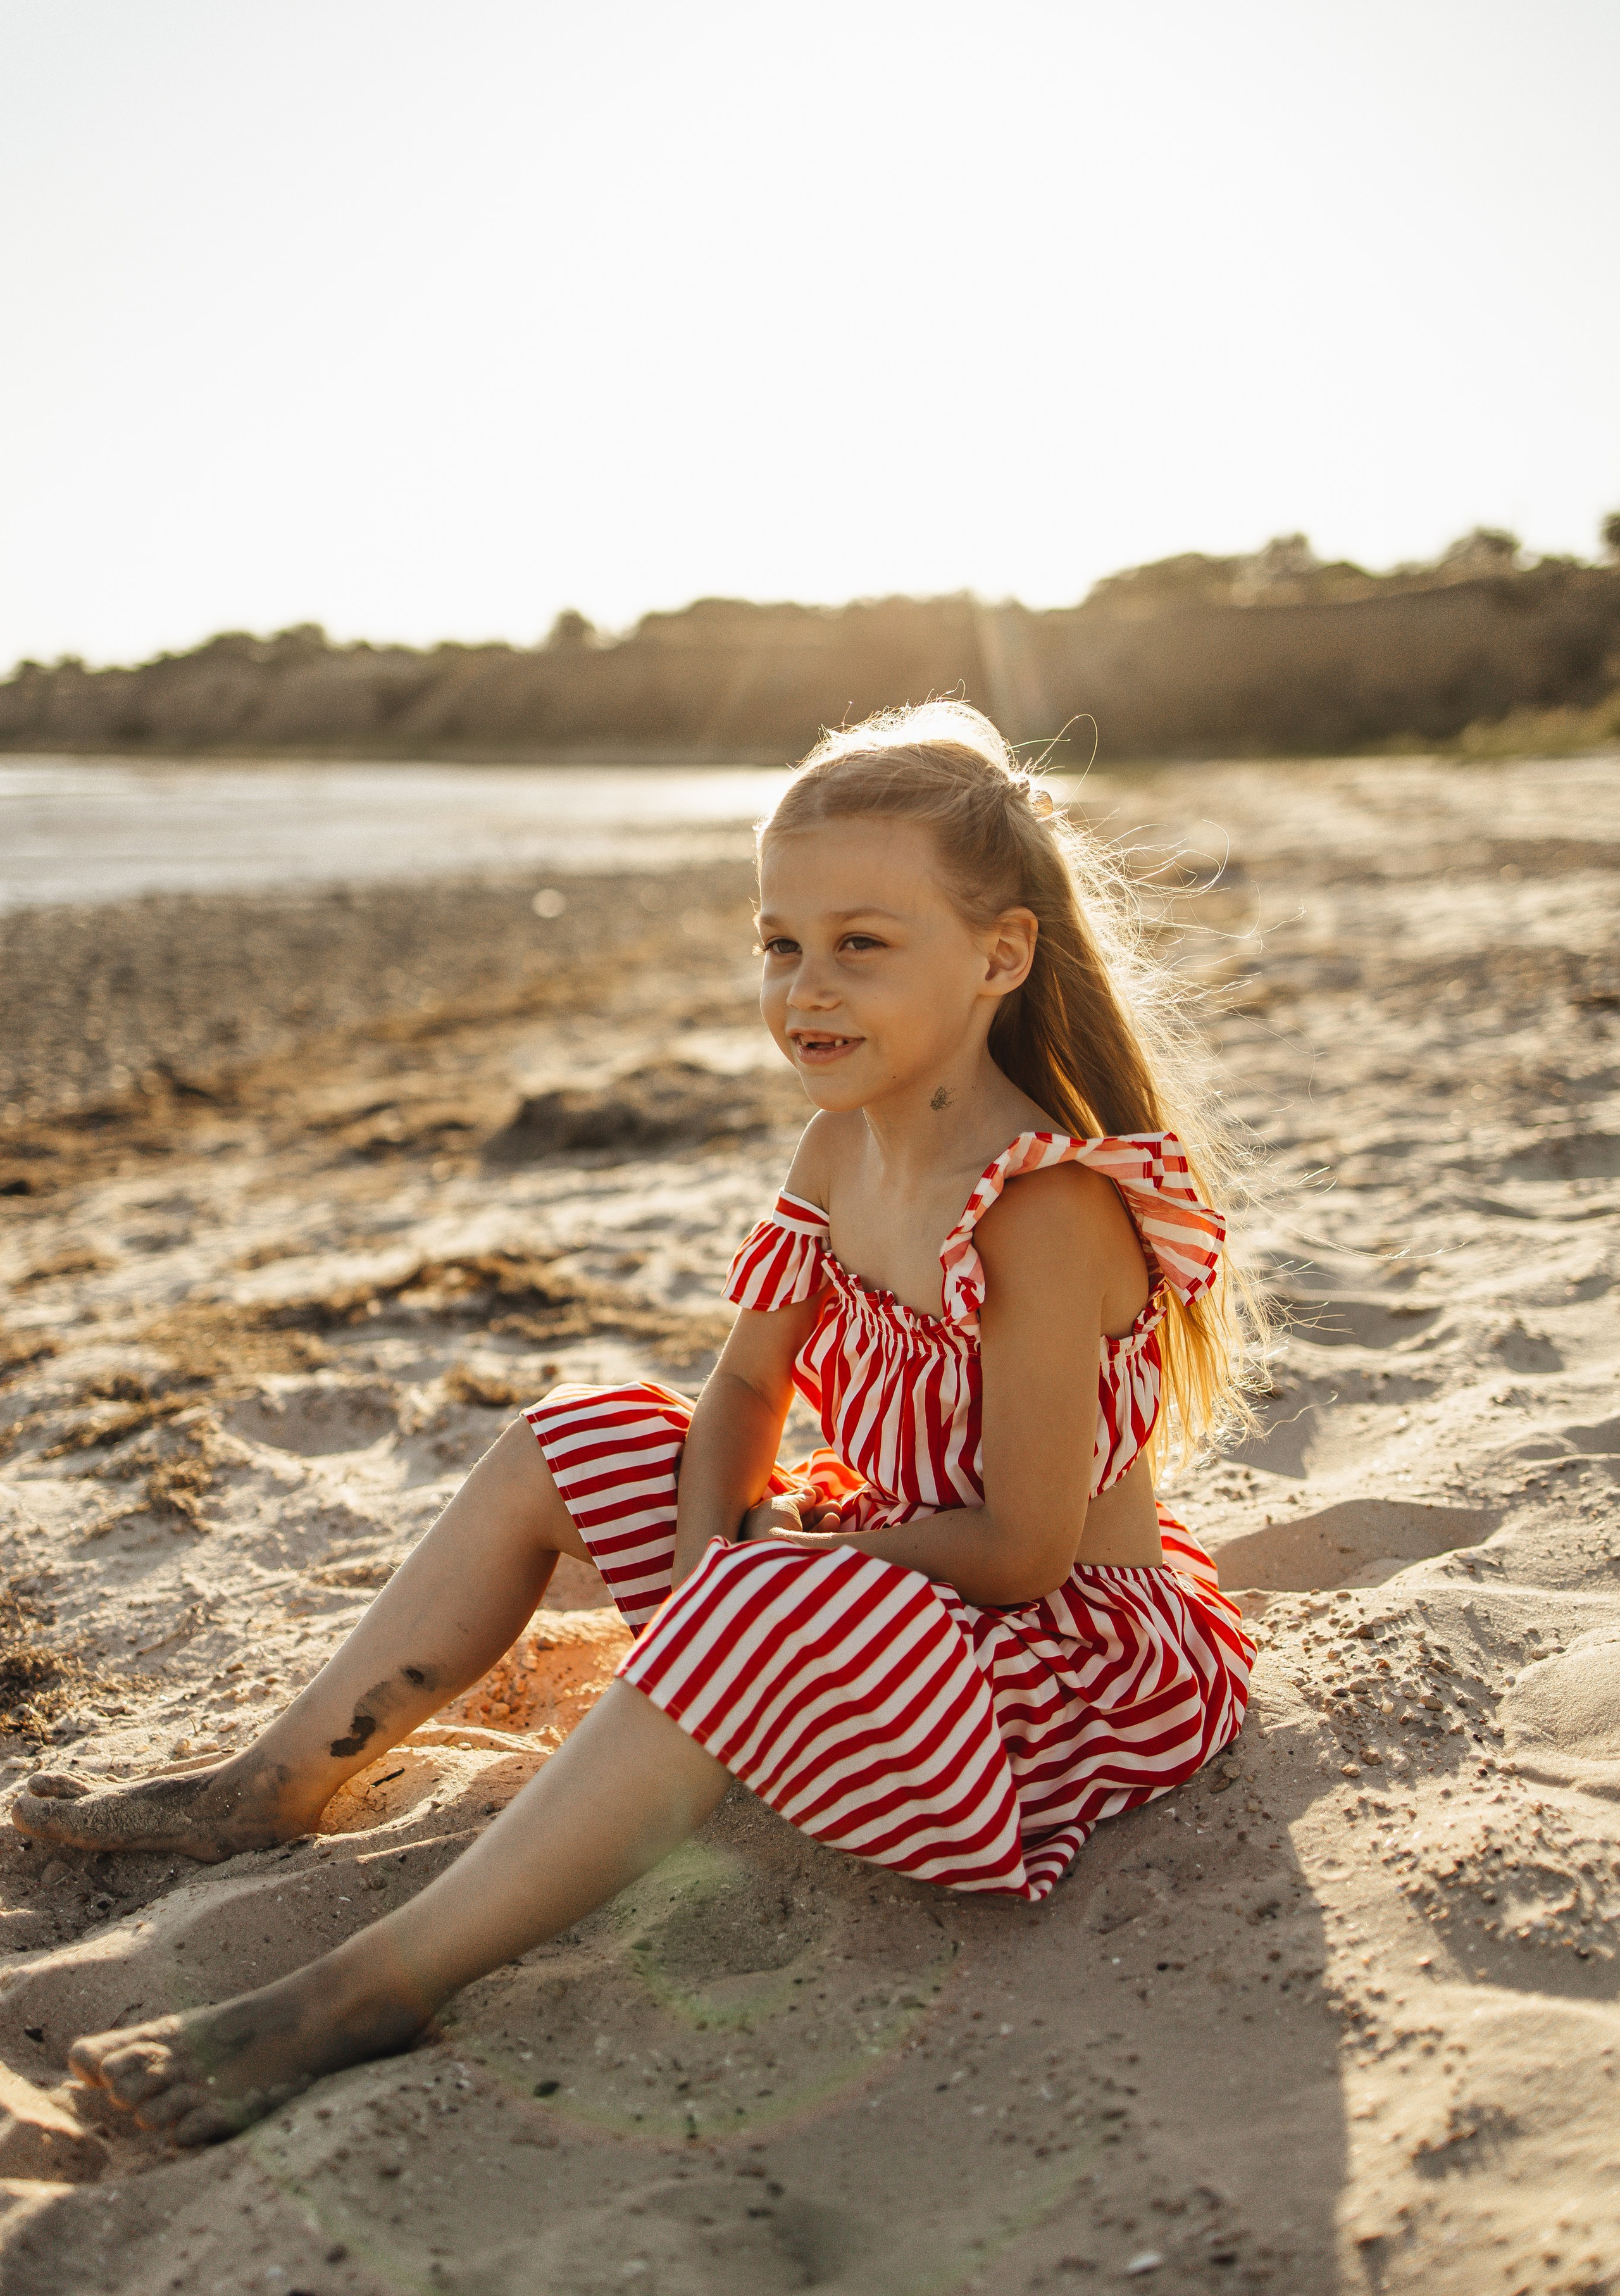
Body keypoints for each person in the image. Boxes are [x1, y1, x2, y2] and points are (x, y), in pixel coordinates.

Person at [15, 702, 1262, 2145]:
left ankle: (371, 1990)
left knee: (766, 1587)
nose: (806, 988)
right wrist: (703, 1561)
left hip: (1053, 1670)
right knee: (580, 1430)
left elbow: (1028, 1552)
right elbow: (744, 1390)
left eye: (861, 944)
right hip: (882, 1574)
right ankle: (279, 1781)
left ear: (999, 957)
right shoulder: (839, 1145)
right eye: (779, 944)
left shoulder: (1042, 1207)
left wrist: (766, 1574)